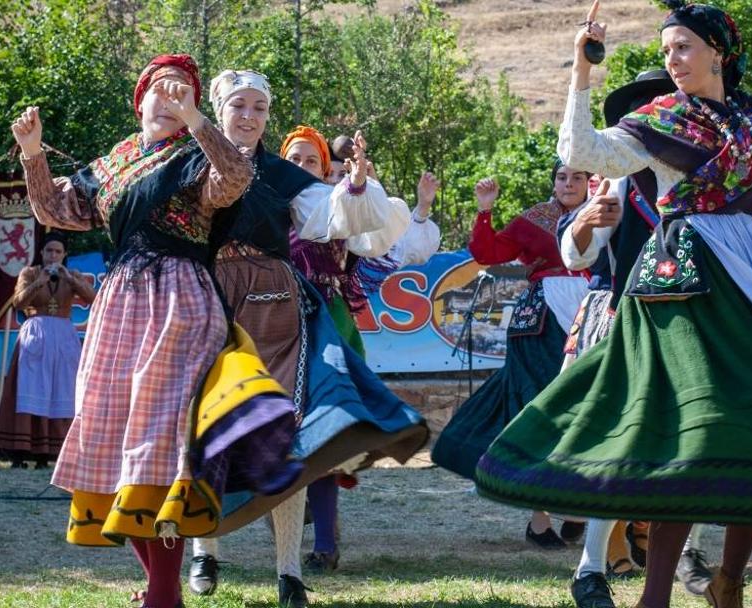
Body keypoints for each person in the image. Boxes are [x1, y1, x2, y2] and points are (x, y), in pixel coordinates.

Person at [476, 3, 752, 607]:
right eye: (667, 50)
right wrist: (581, 75)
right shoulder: (662, 119)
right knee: (693, 435)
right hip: (679, 285)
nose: (672, 59)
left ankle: (730, 580)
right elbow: (584, 149)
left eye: (684, 46)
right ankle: (654, 595)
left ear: (719, 51)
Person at [10, 54, 304, 608]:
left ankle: (164, 594)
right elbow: (56, 212)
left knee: (159, 442)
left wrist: (197, 119)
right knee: (109, 436)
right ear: (141, 98)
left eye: (184, 92)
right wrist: (32, 154)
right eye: (162, 92)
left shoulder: (198, 153)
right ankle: (160, 588)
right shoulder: (116, 161)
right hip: (119, 302)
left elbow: (237, 179)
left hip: (180, 301)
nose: (170, 100)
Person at [187, 71, 430, 606]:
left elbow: (333, 215)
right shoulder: (187, 163)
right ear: (218, 109)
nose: (249, 116)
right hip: (208, 301)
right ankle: (204, 552)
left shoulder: (279, 173)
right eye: (239, 106)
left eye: (259, 108)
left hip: (275, 308)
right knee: (206, 427)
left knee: (286, 431)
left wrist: (357, 185)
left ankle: (290, 572)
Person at [283, 127, 438, 574]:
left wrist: (408, 202)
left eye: (313, 162)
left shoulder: (344, 210)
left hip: (328, 322)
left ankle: (325, 545)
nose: (304, 169)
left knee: (327, 430)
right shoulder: (269, 205)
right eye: (294, 160)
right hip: (274, 319)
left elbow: (394, 244)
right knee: (278, 429)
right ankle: (289, 540)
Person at [431, 161, 590, 549]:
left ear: (591, 181)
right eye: (561, 177)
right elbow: (487, 252)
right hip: (540, 323)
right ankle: (539, 518)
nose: (568, 184)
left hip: (591, 315)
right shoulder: (536, 218)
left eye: (577, 177)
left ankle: (573, 507)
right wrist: (485, 210)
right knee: (538, 408)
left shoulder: (604, 213)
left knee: (585, 409)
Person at [0, 232, 95, 469]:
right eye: (49, 251)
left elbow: (93, 298)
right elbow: (18, 303)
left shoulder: (72, 276)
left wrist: (72, 280)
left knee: (61, 390)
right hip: (36, 333)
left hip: (63, 337)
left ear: (64, 254)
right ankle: (20, 452)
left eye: (58, 252)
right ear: (41, 253)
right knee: (29, 389)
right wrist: (39, 282)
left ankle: (49, 454)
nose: (53, 256)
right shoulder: (29, 273)